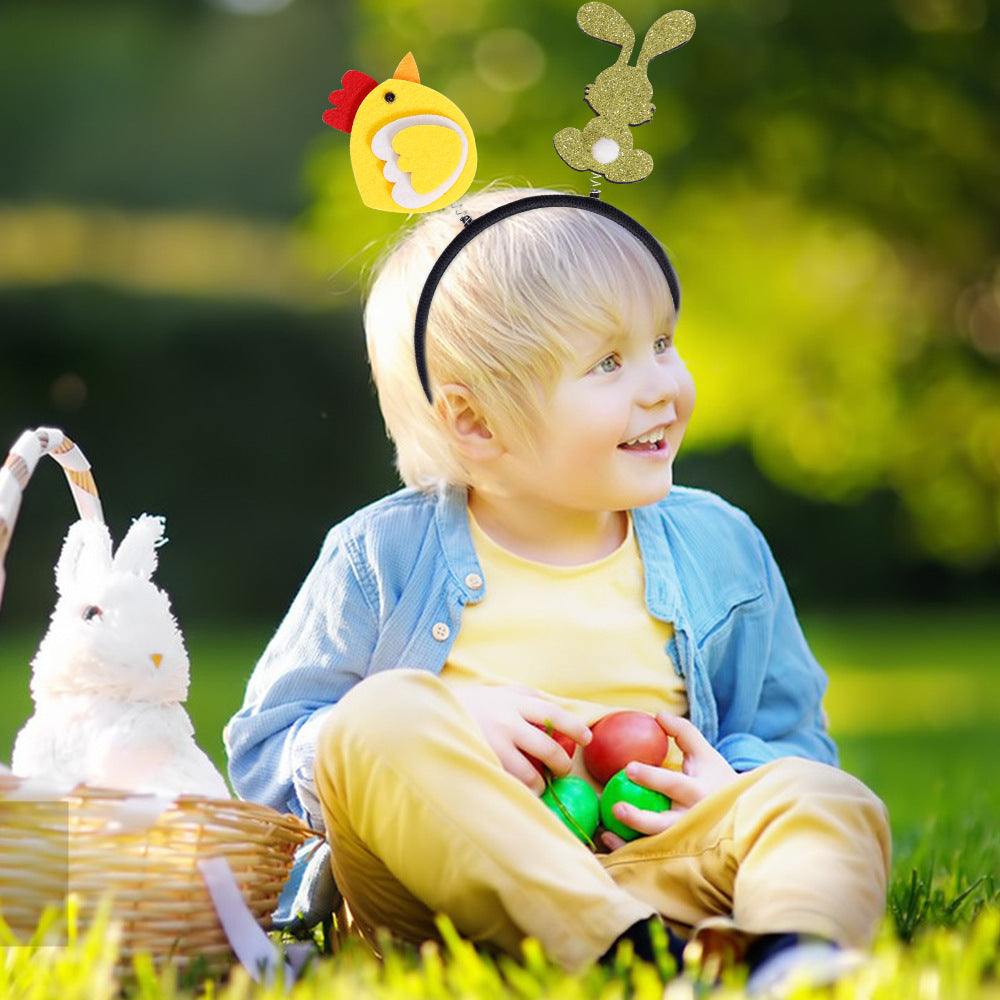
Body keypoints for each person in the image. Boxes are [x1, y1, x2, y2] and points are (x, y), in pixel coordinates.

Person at [225, 184, 890, 992]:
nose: (660, 386)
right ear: (475, 424)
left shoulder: (720, 546)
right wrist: (451, 723)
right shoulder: (381, 555)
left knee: (823, 797)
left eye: (663, 344)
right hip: (440, 901)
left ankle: (791, 954)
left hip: (656, 872)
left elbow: (792, 734)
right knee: (374, 716)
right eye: (608, 362)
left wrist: (728, 781)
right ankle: (633, 959)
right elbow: (266, 752)